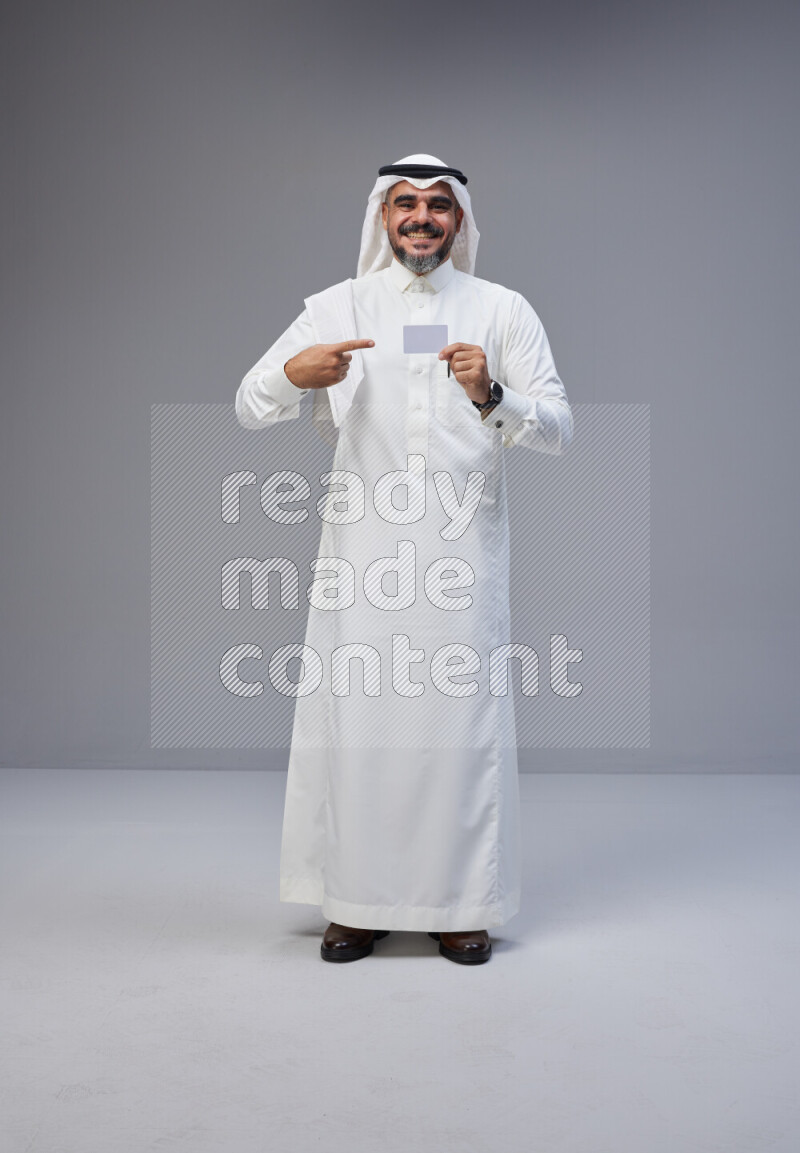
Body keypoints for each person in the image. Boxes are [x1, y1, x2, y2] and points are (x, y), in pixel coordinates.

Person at [235, 154, 573, 965]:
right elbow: (249, 403)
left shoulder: (501, 310)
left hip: (463, 560)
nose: (421, 218)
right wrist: (294, 373)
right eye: (405, 205)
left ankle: (461, 905)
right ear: (382, 218)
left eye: (437, 206)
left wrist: (495, 394)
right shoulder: (336, 306)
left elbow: (560, 427)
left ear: (459, 220)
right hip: (362, 561)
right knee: (361, 727)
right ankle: (354, 903)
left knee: (457, 728)